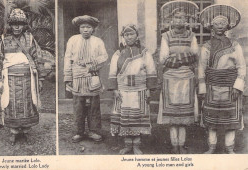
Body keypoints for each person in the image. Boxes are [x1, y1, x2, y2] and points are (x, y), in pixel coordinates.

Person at [0, 8, 44, 145]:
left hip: (28, 79)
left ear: (24, 25)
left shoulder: (30, 39)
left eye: (20, 23)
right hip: (10, 78)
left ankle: (26, 131)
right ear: (10, 24)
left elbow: (38, 58)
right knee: (11, 103)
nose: (17, 27)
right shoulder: (4, 39)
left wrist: (41, 79)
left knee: (28, 102)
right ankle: (14, 132)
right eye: (14, 23)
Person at [199, 5, 246, 154]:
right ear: (211, 26)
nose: (220, 26)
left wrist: (238, 87)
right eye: (217, 23)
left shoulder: (235, 45)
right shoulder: (206, 46)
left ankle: (229, 148)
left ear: (227, 26)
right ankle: (211, 147)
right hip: (212, 87)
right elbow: (201, 68)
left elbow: (242, 66)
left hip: (230, 87)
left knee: (231, 120)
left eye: (223, 23)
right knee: (212, 120)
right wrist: (202, 88)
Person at [157, 0, 199, 154]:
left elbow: (195, 55)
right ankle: (174, 144)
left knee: (184, 113)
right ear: (171, 20)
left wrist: (177, 58)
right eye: (177, 18)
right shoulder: (166, 36)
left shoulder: (192, 35)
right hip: (171, 77)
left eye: (182, 18)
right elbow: (163, 58)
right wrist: (184, 57)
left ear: (186, 20)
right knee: (172, 114)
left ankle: (182, 143)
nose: (180, 20)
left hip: (187, 76)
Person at [108, 24, 157, 154]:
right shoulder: (118, 54)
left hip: (139, 90)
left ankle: (136, 145)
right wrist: (115, 89)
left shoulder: (144, 53)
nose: (129, 37)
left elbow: (151, 71)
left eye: (131, 34)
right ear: (123, 37)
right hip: (123, 90)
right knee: (125, 117)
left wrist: (148, 89)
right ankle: (127, 145)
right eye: (126, 35)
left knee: (137, 117)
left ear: (137, 36)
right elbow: (113, 72)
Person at [64, 15, 108, 142]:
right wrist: (68, 77)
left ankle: (94, 131)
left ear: (93, 28)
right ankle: (79, 132)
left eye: (88, 27)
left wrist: (92, 63)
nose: (85, 30)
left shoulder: (98, 41)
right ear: (79, 28)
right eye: (83, 27)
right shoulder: (73, 40)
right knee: (78, 105)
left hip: (92, 74)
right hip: (77, 75)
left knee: (94, 105)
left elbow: (104, 56)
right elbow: (67, 58)